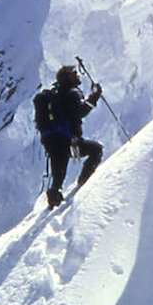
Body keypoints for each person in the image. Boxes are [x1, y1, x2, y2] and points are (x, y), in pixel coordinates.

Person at [34, 64, 104, 208]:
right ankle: (84, 183)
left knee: (58, 175)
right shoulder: (71, 93)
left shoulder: (55, 94)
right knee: (96, 150)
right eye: (74, 73)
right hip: (68, 141)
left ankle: (53, 201)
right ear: (68, 77)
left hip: (51, 141)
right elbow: (80, 112)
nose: (78, 75)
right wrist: (95, 96)